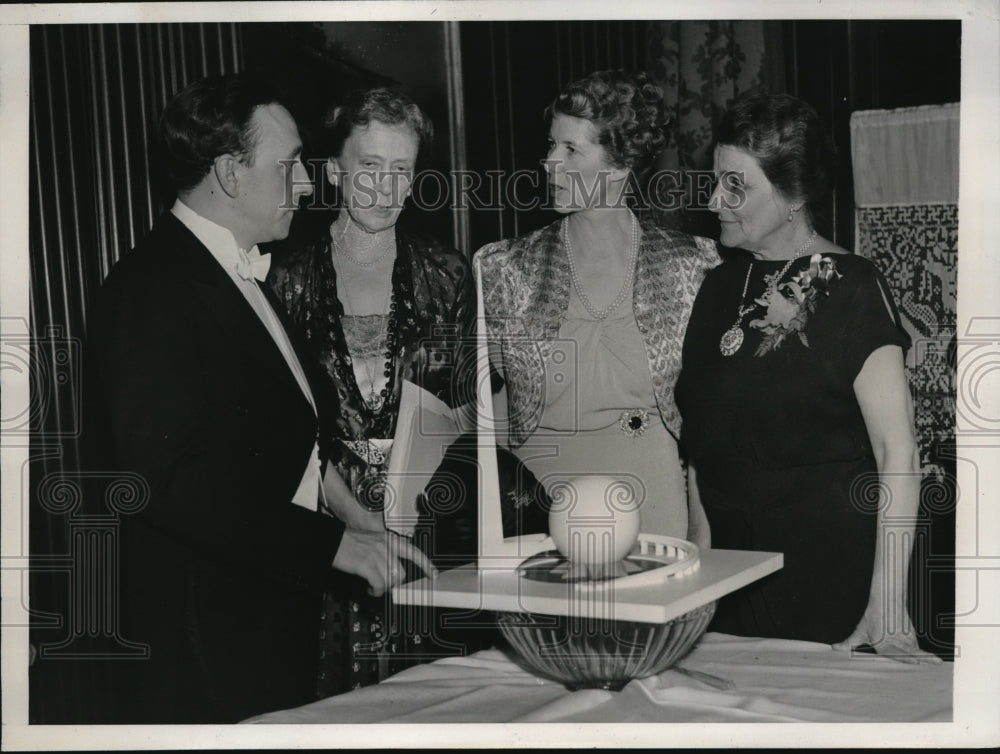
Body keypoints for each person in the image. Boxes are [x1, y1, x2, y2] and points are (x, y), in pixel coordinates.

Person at [86, 74, 434, 723]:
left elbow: (276, 436)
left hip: (264, 620)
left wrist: (351, 512)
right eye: (288, 164)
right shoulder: (151, 290)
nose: (305, 182)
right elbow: (163, 479)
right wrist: (330, 548)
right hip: (207, 648)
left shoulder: (236, 267)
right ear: (228, 172)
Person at [675, 92, 941, 662]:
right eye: (716, 179)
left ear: (791, 192)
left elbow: (898, 451)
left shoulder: (849, 285)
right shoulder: (717, 288)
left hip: (824, 580)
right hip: (730, 584)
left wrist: (888, 608)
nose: (714, 198)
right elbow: (700, 445)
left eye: (735, 184)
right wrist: (699, 564)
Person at [268, 87, 482, 694]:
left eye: (401, 170)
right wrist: (355, 519)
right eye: (369, 167)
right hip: (324, 529)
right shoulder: (282, 277)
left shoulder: (447, 274)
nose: (385, 189)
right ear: (334, 171)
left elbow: (463, 410)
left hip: (425, 527)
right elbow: (275, 430)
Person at [475, 69, 717, 543]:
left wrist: (702, 533)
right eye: (551, 145)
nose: (549, 162)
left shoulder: (693, 265)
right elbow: (486, 407)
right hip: (538, 507)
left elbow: (710, 422)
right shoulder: (504, 266)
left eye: (570, 150)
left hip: (652, 503)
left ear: (619, 166)